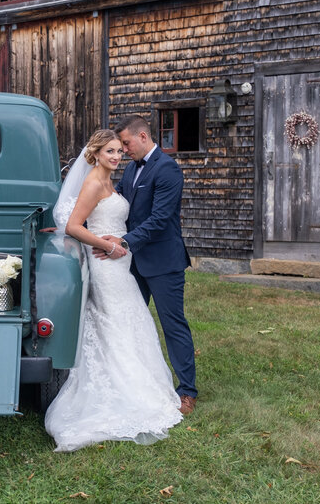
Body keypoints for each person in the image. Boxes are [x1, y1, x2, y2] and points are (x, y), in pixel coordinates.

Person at [44, 129, 182, 452]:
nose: (117, 157)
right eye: (110, 152)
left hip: (121, 261)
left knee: (132, 318)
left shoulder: (110, 182)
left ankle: (142, 385)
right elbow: (74, 225)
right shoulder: (93, 181)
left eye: (120, 151)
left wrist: (120, 245)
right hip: (106, 264)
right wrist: (105, 243)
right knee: (115, 322)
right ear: (95, 154)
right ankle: (125, 390)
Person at [95, 115, 197, 415]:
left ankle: (187, 391)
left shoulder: (168, 170)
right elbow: (119, 206)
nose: (123, 150)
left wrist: (123, 243)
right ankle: (134, 384)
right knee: (131, 324)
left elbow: (159, 220)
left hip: (163, 262)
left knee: (172, 325)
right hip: (131, 266)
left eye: (126, 143)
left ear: (142, 136)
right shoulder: (131, 171)